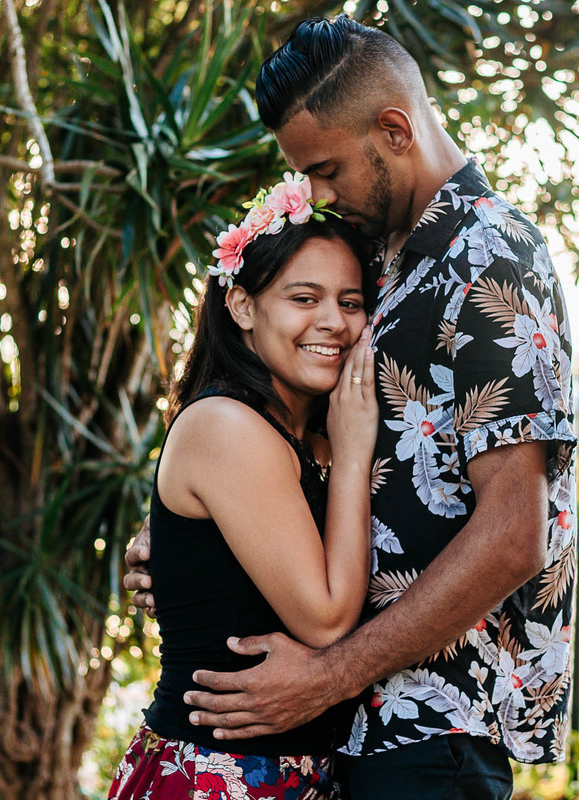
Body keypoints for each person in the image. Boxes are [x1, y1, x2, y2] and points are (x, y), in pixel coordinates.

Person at [126, 16, 579, 799]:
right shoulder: (382, 259)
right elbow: (295, 443)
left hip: (429, 735)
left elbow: (513, 535)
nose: (319, 195)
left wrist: (327, 677)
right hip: (348, 735)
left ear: (394, 129)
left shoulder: (490, 256)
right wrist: (186, 541)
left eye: (328, 170)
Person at [107, 174, 380, 800]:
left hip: (300, 777)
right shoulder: (226, 425)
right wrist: (357, 445)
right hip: (214, 777)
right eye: (303, 298)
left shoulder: (312, 435)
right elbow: (328, 619)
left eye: (351, 301)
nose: (333, 322)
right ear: (242, 306)